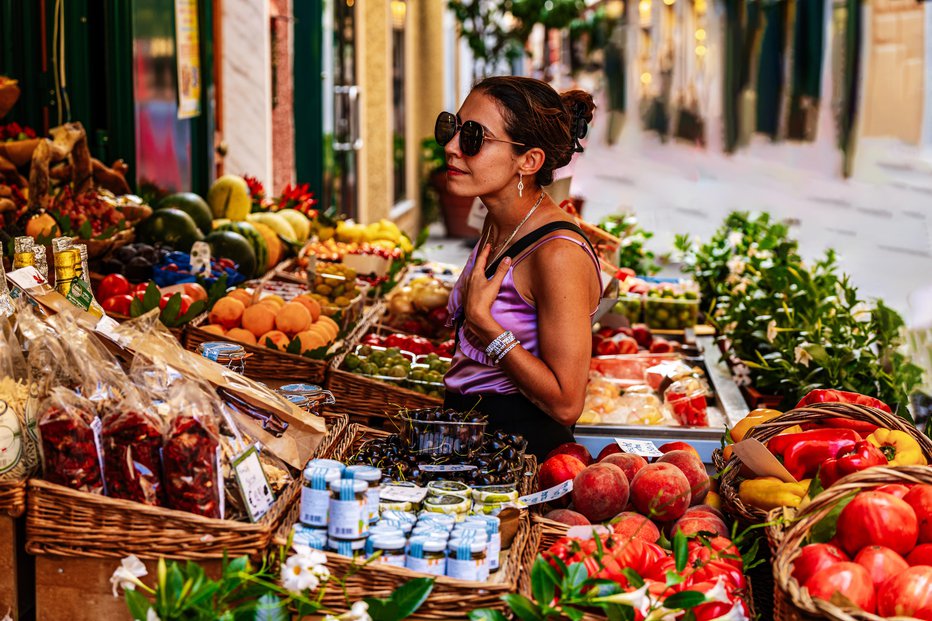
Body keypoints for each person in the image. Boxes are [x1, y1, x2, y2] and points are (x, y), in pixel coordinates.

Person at [438, 76, 601, 460]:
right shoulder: (498, 220)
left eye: (474, 137)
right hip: (473, 450)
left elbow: (566, 403)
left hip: (522, 463)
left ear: (528, 161)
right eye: (452, 127)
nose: (450, 147)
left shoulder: (558, 252)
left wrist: (484, 323)